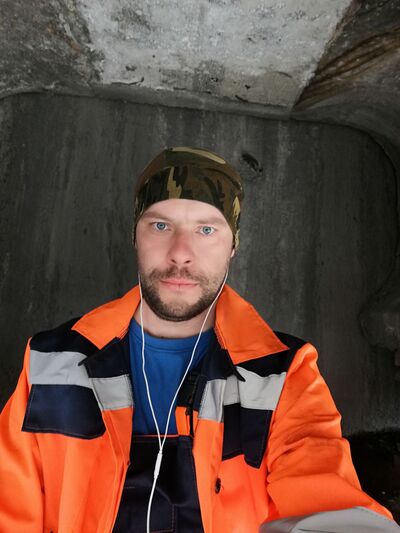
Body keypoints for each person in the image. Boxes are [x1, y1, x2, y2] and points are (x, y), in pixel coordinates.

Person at [0, 147, 398, 533]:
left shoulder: (281, 375)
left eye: (206, 229)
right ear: (135, 235)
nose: (181, 253)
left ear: (233, 246)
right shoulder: (52, 361)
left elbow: (326, 494)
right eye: (160, 225)